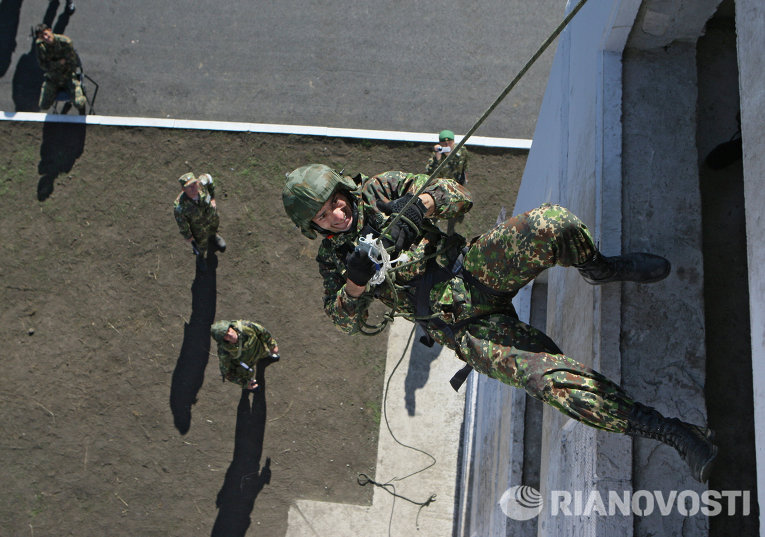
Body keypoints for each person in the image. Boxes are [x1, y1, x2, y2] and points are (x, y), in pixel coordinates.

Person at [281, 163, 718, 483]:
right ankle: (672, 431)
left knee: (552, 223)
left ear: (343, 188)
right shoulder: (333, 261)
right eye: (323, 217)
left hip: (471, 267)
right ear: (315, 228)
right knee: (551, 382)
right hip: (460, 324)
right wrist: (356, 283)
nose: (337, 215)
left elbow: (458, 193)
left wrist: (419, 208)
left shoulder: (380, 190)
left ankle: (597, 267)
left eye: (335, 201)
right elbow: (341, 319)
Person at [173, 172, 226, 271]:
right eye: (189, 187)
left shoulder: (202, 183)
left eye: (194, 184)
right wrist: (189, 237)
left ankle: (213, 237)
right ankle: (200, 258)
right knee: (201, 246)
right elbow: (182, 224)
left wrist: (213, 198)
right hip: (198, 229)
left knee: (213, 228)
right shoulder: (180, 206)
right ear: (183, 189)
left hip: (211, 218)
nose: (194, 188)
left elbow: (209, 178)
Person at [211, 320, 280, 390]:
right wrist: (244, 383)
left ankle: (266, 357)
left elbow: (262, 331)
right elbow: (226, 372)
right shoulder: (224, 351)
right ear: (223, 339)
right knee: (247, 377)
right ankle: (251, 385)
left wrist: (272, 345)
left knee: (265, 353)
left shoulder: (246, 326)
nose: (230, 334)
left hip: (259, 350)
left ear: (231, 327)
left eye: (229, 330)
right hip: (246, 365)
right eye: (226, 335)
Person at [34, 24, 85, 113]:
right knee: (43, 105)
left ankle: (79, 96)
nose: (45, 37)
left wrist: (53, 65)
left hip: (68, 76)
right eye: (42, 36)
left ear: (50, 30)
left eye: (46, 34)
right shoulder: (40, 46)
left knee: (79, 103)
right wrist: (58, 63)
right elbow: (43, 66)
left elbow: (72, 62)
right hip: (53, 78)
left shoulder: (65, 42)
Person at [426, 129, 469, 234]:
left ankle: (453, 233)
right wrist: (437, 158)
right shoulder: (437, 155)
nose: (446, 144)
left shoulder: (461, 151)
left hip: (455, 185)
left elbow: (464, 165)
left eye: (449, 142)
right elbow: (430, 173)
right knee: (435, 211)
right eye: (443, 142)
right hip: (440, 187)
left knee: (455, 212)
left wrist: (466, 177)